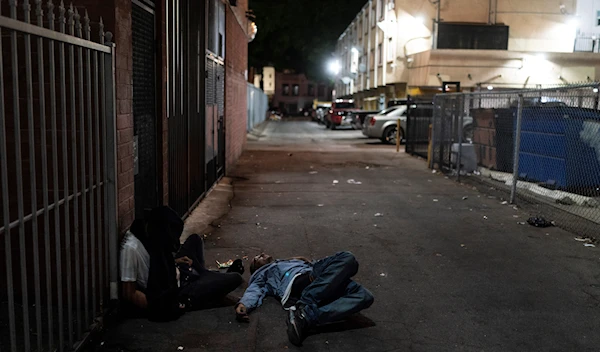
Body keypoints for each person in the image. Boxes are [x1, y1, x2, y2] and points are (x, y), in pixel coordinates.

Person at [120, 206, 243, 321]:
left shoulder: (147, 232)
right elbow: (129, 293)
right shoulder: (131, 249)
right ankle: (207, 280)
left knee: (195, 240)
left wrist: (175, 261)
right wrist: (162, 305)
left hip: (176, 271)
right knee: (236, 278)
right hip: (180, 288)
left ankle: (206, 277)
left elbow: (157, 261)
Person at [235, 251, 374, 346]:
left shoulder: (289, 261)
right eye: (258, 258)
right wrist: (244, 304)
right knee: (348, 258)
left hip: (318, 279)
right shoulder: (264, 273)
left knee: (365, 296)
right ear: (256, 268)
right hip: (302, 282)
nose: (262, 255)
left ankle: (305, 317)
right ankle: (307, 301)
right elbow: (254, 290)